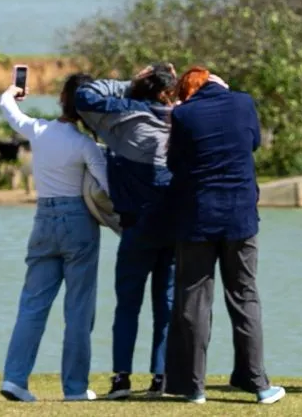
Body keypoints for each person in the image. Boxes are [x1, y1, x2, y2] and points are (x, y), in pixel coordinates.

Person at [164, 67, 285, 406]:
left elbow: (174, 163)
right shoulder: (243, 102)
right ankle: (258, 382)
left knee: (194, 299)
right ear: (217, 82)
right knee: (244, 296)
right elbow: (254, 142)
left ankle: (193, 387)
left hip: (198, 217)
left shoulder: (183, 115)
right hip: (240, 216)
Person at [0, 74, 109, 403]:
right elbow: (109, 187)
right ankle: (75, 388)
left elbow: (7, 108)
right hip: (78, 224)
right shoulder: (86, 145)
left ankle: (14, 379)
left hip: (44, 220)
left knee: (32, 305)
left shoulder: (39, 130)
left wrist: (13, 91)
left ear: (62, 98)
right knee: (79, 310)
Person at [74, 63, 179, 400]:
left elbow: (83, 95)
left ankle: (121, 379)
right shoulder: (183, 120)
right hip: (173, 227)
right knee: (166, 305)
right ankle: (161, 378)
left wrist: (128, 84)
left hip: (136, 227)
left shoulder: (121, 119)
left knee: (127, 306)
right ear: (167, 93)